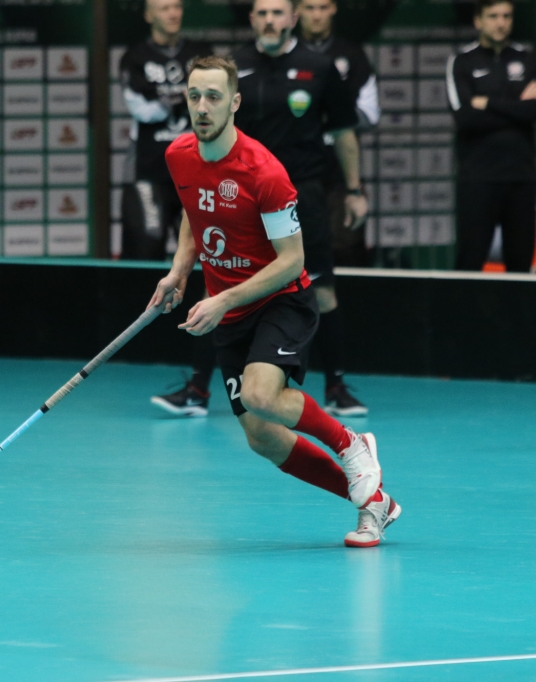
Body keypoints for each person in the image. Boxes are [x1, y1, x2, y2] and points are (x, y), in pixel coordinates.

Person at [149, 55, 400, 547]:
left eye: (214, 97)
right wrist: (179, 270)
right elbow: (194, 212)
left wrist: (221, 299)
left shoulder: (264, 172)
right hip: (232, 312)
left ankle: (350, 443)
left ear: (235, 103)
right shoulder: (179, 154)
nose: (203, 107)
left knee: (262, 395)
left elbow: (292, 261)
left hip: (281, 299)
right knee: (262, 437)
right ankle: (374, 503)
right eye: (195, 96)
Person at [151, 0, 369, 418]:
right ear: (252, 20)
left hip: (302, 191)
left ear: (292, 18)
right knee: (217, 285)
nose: (270, 20)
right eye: (262, 13)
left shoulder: (319, 67)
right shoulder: (233, 70)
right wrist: (179, 267)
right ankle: (197, 389)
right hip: (237, 192)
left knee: (321, 288)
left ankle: (337, 387)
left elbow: (343, 131)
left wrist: (354, 189)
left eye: (278, 12)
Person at [446, 0, 536, 272]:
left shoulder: (529, 59)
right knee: (470, 260)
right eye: (493, 16)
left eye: (506, 16)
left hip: (521, 176)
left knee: (520, 262)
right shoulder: (462, 61)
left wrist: (488, 103)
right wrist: (519, 105)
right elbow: (465, 117)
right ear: (478, 20)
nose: (501, 22)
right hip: (478, 177)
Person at [119, 0, 212, 261]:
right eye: (164, 8)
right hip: (148, 170)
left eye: (177, 7)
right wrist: (187, 96)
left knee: (203, 252)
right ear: (149, 15)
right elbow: (144, 111)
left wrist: (169, 97)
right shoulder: (134, 57)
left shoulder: (202, 54)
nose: (173, 13)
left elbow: (214, 102)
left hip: (197, 169)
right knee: (145, 248)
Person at [297, 0, 380, 266]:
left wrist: (322, 114)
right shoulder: (287, 54)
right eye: (310, 8)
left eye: (322, 7)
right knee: (294, 258)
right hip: (294, 176)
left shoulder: (352, 54)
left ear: (333, 9)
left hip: (340, 177)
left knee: (347, 255)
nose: (316, 15)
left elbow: (370, 115)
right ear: (298, 11)